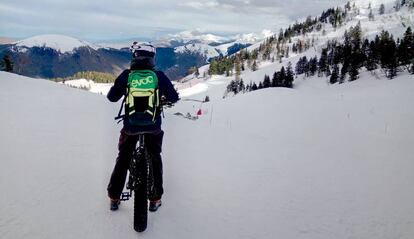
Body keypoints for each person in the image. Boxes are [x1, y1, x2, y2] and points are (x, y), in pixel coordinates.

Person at [107, 42, 179, 211]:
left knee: (123, 158)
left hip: (130, 127)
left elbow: (111, 97)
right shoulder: (159, 76)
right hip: (153, 127)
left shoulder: (126, 75)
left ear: (135, 57)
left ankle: (114, 197)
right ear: (152, 58)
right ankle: (155, 199)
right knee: (154, 157)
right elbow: (174, 97)